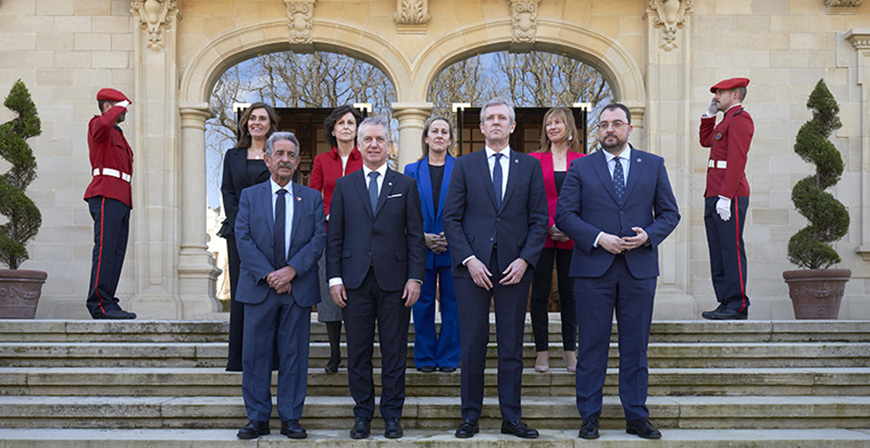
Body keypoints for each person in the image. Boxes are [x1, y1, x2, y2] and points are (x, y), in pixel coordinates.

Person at [555, 103, 680, 440]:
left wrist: (647, 236)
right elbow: (564, 215)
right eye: (603, 124)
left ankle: (636, 416)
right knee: (591, 346)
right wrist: (599, 238)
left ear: (628, 128)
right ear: (598, 130)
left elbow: (670, 213)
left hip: (639, 270)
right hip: (593, 270)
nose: (609, 129)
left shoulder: (653, 165)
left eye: (616, 123)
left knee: (635, 347)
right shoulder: (582, 167)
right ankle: (589, 416)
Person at [442, 97, 548, 439]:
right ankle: (469, 416)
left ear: (512, 126)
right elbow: (451, 218)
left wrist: (525, 259)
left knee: (511, 346)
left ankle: (511, 417)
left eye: (503, 117)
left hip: (514, 268)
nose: (496, 122)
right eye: (490, 118)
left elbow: (539, 220)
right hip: (472, 269)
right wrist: (469, 259)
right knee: (472, 343)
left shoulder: (529, 166)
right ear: (482, 126)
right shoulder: (464, 165)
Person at [326, 117, 425, 440]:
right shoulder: (345, 186)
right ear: (359, 145)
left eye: (380, 139)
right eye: (367, 139)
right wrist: (334, 278)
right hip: (354, 282)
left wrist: (415, 278)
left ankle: (392, 416)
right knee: (358, 353)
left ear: (388, 145)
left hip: (395, 282)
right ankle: (363, 415)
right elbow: (335, 237)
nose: (373, 145)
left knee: (394, 353)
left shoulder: (405, 185)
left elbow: (415, 236)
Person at [233, 132, 325, 440]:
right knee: (255, 357)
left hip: (297, 290)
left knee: (294, 357)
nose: (285, 160)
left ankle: (290, 417)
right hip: (259, 289)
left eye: (291, 155)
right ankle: (257, 418)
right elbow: (243, 238)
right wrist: (270, 275)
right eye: (279, 154)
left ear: (297, 162)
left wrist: (291, 271)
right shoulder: (250, 196)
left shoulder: (311, 198)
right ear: (267, 159)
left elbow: (318, 240)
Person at [219, 102, 279, 372]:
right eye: (252, 118)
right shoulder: (232, 155)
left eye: (262, 118)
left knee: (269, 292)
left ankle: (271, 357)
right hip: (239, 233)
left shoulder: (276, 155)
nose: (257, 122)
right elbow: (227, 191)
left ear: (270, 124)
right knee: (242, 292)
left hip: (271, 233)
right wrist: (242, 225)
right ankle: (238, 358)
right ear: (245, 123)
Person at [528, 107, 584, 373]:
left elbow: (587, 199)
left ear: (569, 127)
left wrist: (570, 226)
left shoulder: (582, 161)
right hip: (541, 234)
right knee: (539, 294)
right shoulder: (534, 160)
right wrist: (550, 225)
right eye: (549, 123)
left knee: (570, 295)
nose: (552, 127)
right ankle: (542, 351)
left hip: (572, 237)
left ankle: (570, 351)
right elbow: (531, 198)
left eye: (558, 122)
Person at [403, 116, 460, 373]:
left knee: (453, 305)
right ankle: (425, 357)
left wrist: (453, 235)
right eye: (434, 131)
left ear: (450, 139)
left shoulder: (461, 169)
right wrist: (422, 236)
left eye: (444, 132)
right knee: (422, 305)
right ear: (426, 138)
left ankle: (448, 357)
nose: (439, 135)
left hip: (452, 248)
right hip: (421, 246)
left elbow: (468, 207)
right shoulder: (411, 171)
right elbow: (406, 211)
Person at [310, 105, 364, 373]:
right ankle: (334, 354)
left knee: (356, 293)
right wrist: (328, 215)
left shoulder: (365, 157)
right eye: (340, 123)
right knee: (330, 294)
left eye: (350, 123)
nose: (345, 127)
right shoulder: (322, 160)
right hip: (329, 234)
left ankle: (356, 352)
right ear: (333, 130)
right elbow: (313, 195)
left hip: (359, 236)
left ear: (357, 130)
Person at [699, 78, 754, 320]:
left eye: (720, 93)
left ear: (735, 94)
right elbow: (705, 141)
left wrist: (726, 196)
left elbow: (737, 160)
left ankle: (738, 303)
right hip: (714, 192)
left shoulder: (741, 118)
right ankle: (725, 301)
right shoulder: (725, 120)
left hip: (729, 194)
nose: (716, 97)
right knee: (718, 249)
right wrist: (709, 116)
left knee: (730, 248)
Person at [84, 88, 136, 320]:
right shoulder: (98, 125)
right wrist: (120, 105)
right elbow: (104, 123)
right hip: (106, 192)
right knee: (105, 250)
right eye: (121, 108)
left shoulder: (117, 134)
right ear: (108, 107)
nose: (124, 113)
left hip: (121, 196)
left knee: (116, 253)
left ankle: (108, 301)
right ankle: (98, 303)